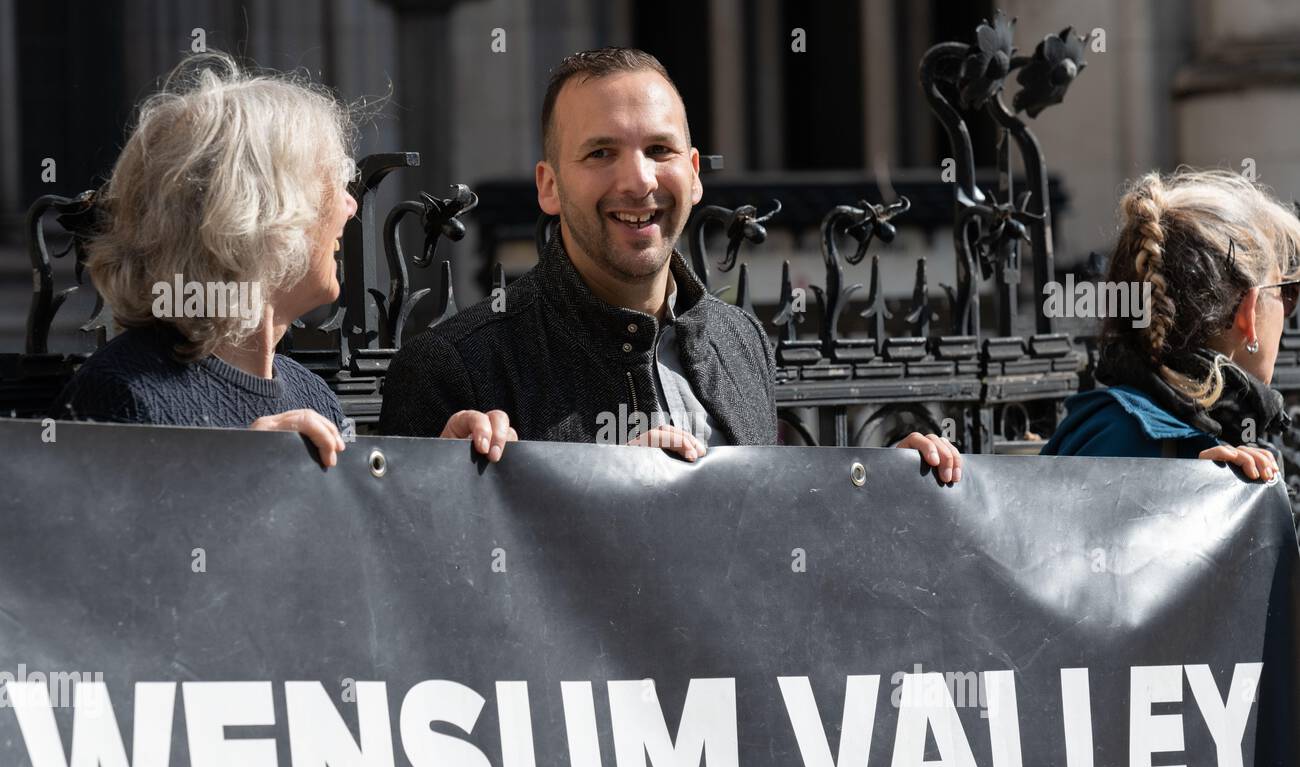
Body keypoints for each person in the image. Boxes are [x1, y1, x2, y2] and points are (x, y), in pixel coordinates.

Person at [380, 47, 962, 482]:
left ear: (695, 172)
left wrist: (888, 489)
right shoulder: (453, 368)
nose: (638, 181)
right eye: (601, 152)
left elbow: (776, 548)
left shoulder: (741, 341)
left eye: (659, 150)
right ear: (549, 186)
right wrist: (615, 496)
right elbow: (433, 597)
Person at [52, 52, 356, 468]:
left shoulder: (312, 393)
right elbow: (101, 532)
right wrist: (230, 472)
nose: (350, 205)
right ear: (265, 213)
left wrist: (450, 468)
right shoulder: (122, 393)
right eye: (333, 181)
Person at [1042, 168, 1300, 483]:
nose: (1288, 311)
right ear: (1248, 313)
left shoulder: (1117, 426)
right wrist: (1183, 489)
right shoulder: (1123, 435)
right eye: (1286, 291)